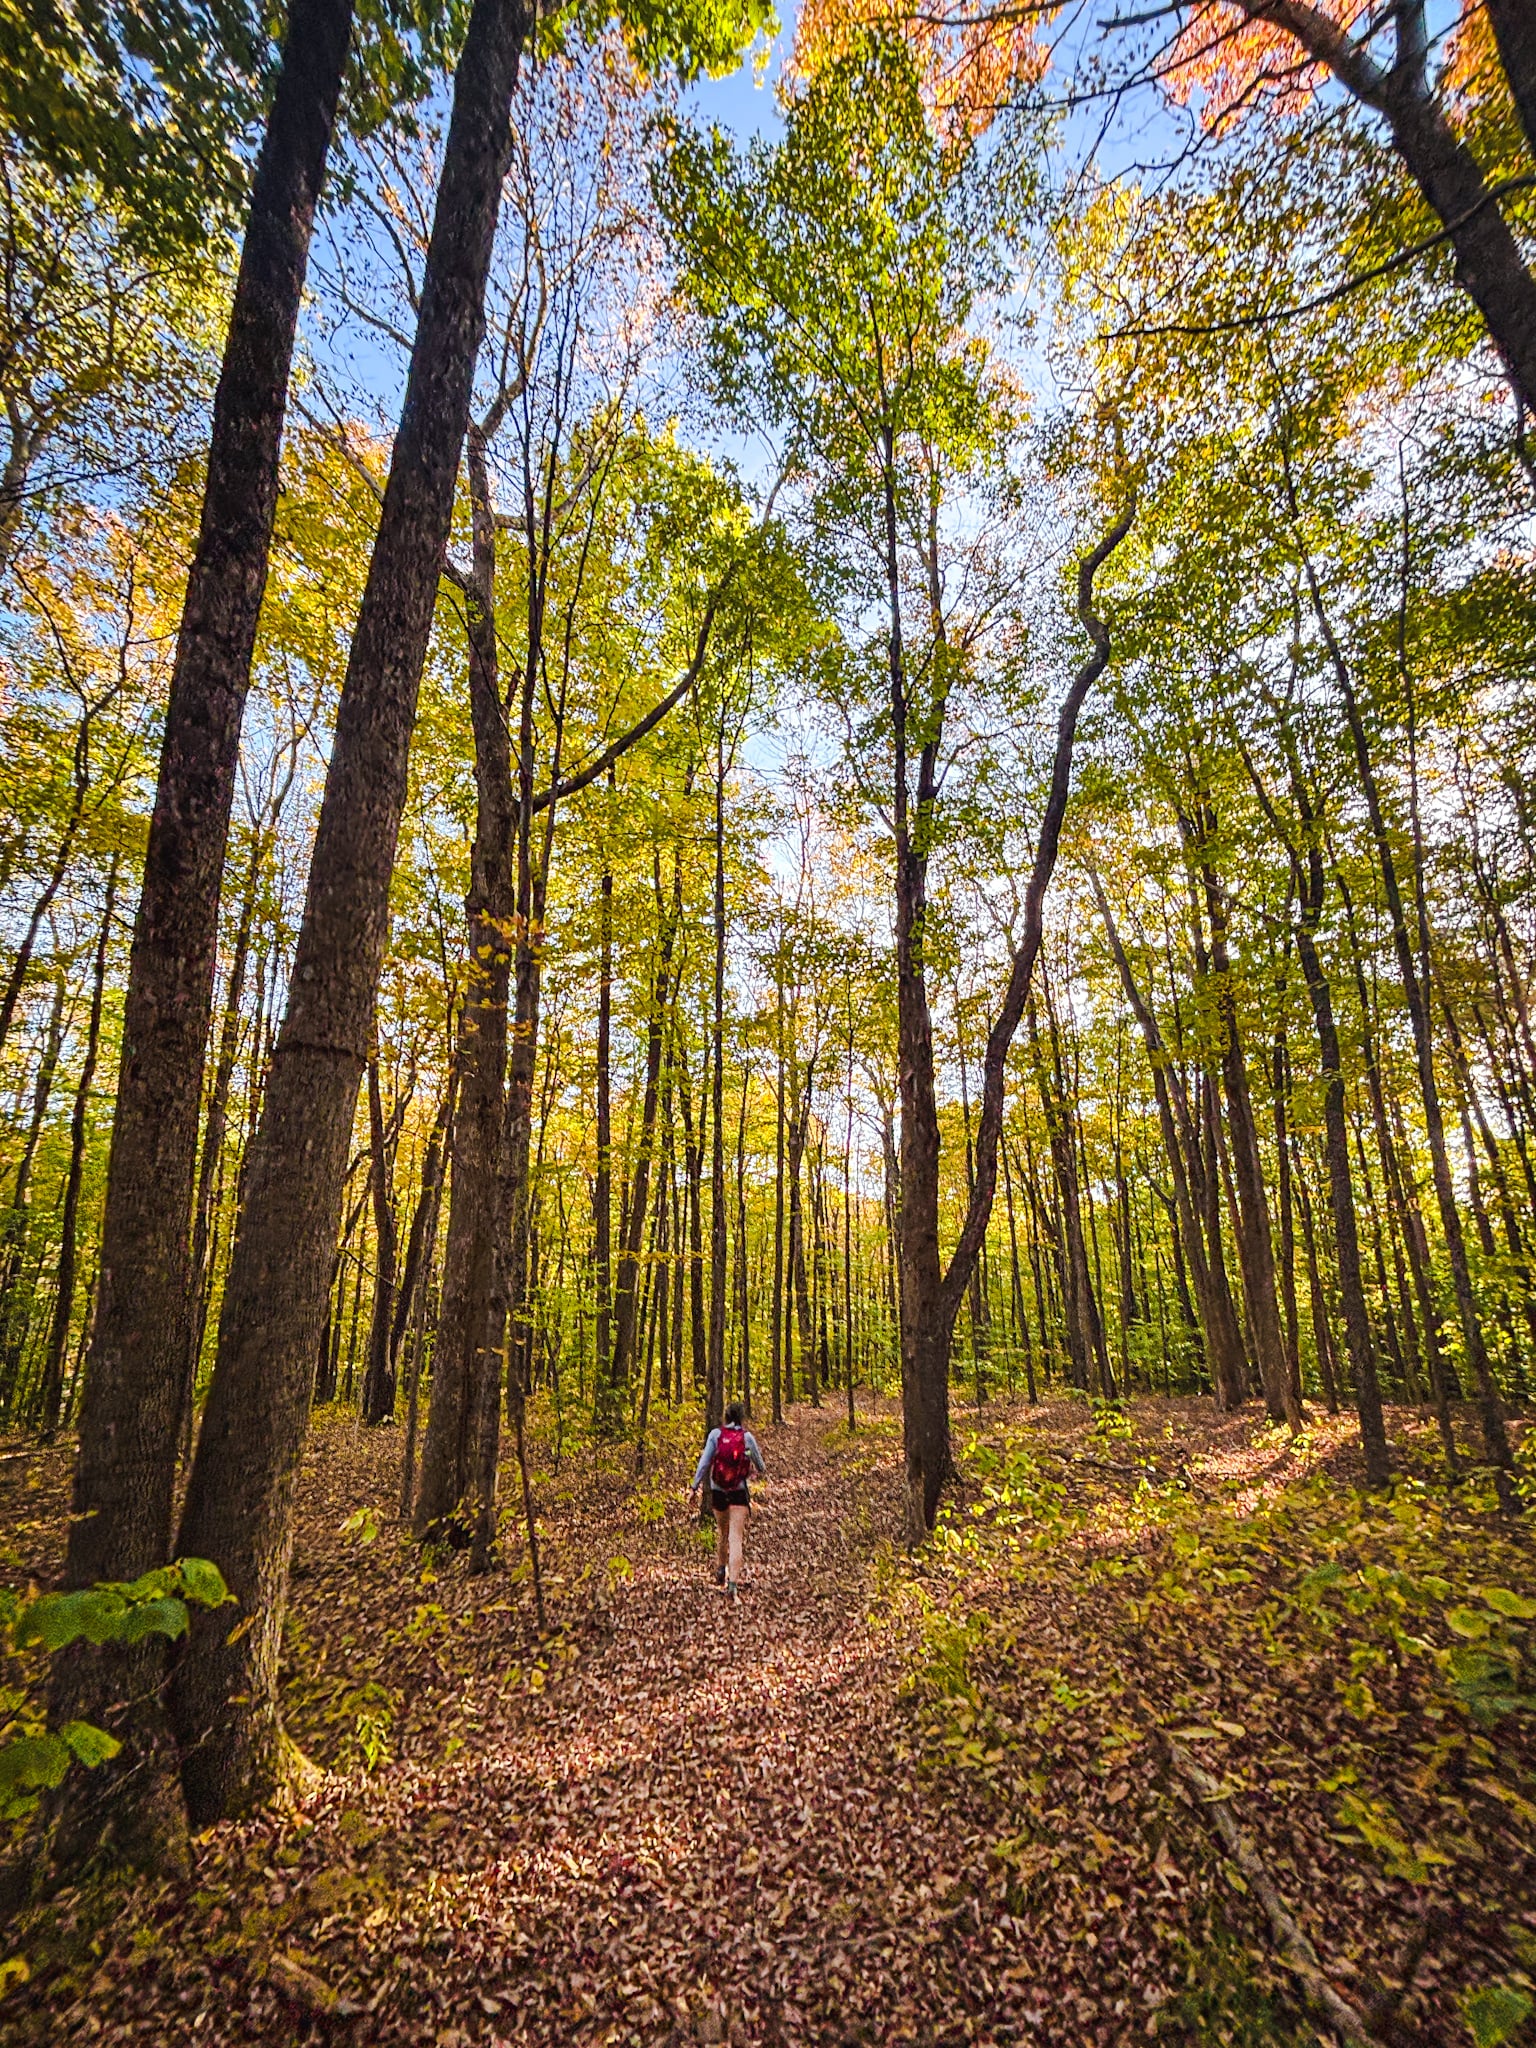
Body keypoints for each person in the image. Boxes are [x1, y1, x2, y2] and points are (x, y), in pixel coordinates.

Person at [687, 1403, 766, 1599]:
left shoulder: (715, 1435)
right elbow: (761, 1466)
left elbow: (704, 1462)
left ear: (726, 1417)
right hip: (738, 1492)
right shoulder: (747, 1438)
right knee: (736, 1537)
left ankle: (721, 1568)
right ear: (741, 1418)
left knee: (722, 1532)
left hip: (718, 1491)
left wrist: (694, 1487)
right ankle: (732, 1585)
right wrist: (751, 1466)